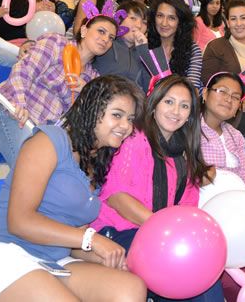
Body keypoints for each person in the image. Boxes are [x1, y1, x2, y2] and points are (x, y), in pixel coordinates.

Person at [0, 76, 147, 302]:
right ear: (92, 109)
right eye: (117, 115)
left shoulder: (96, 167)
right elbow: (20, 222)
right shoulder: (50, 140)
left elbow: (71, 241)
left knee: (130, 289)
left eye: (130, 119)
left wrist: (105, 257)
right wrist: (93, 240)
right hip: (2, 251)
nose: (126, 126)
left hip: (53, 260)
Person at [92, 74, 219, 301]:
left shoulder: (184, 153)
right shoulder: (135, 138)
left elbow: (185, 211)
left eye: (184, 106)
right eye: (168, 102)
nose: (176, 111)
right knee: (186, 278)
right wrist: (160, 228)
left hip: (158, 236)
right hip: (118, 232)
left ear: (190, 115)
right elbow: (115, 196)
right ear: (154, 104)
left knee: (206, 275)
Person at [0, 8, 122, 165]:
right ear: (84, 30)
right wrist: (19, 104)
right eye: (101, 31)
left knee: (61, 169)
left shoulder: (93, 79)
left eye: (111, 37)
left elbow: (81, 120)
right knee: (31, 165)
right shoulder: (57, 43)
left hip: (45, 131)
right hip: (13, 109)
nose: (105, 39)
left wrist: (85, 92)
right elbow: (24, 71)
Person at [202, 0, 245, 111]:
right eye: (233, 19)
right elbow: (209, 80)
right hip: (225, 110)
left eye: (243, 18)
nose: (238, 24)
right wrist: (243, 92)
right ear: (228, 22)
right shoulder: (216, 46)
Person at [200, 72, 245, 191]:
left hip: (238, 197)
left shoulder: (236, 136)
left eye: (235, 97)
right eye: (222, 91)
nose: (229, 99)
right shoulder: (189, 129)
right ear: (205, 93)